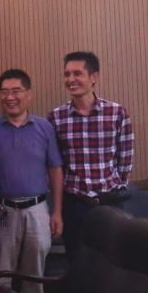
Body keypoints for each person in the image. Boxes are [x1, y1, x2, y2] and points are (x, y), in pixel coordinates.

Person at [47, 51, 134, 262]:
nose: (71, 79)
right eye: (67, 74)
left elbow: (125, 158)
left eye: (77, 73)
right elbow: (54, 165)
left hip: (110, 201)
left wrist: (115, 188)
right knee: (76, 262)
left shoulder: (117, 113)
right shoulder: (56, 118)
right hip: (73, 203)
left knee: (112, 262)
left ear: (94, 77)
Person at [0, 69, 63, 293]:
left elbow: (55, 169)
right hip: (0, 210)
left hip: (37, 210)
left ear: (29, 94)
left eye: (16, 91)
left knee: (35, 276)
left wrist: (57, 211)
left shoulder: (44, 127)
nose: (10, 97)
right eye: (4, 92)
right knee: (0, 276)